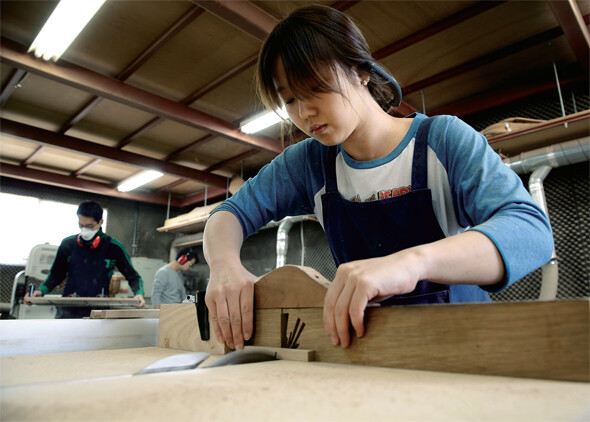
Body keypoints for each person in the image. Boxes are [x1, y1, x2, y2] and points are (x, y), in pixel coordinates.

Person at [203, 5, 554, 349]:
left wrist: (412, 263)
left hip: (463, 348)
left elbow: (532, 232)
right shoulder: (309, 163)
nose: (304, 112)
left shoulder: (443, 140)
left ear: (361, 71)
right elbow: (230, 213)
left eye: (315, 88)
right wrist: (223, 266)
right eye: (291, 99)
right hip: (368, 353)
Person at [24, 200, 145, 318]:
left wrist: (138, 294)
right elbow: (56, 274)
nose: (85, 230)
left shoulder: (114, 247)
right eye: (81, 225)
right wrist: (41, 291)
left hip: (98, 310)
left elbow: (133, 276)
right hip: (68, 309)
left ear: (100, 222)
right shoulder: (68, 244)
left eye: (90, 226)